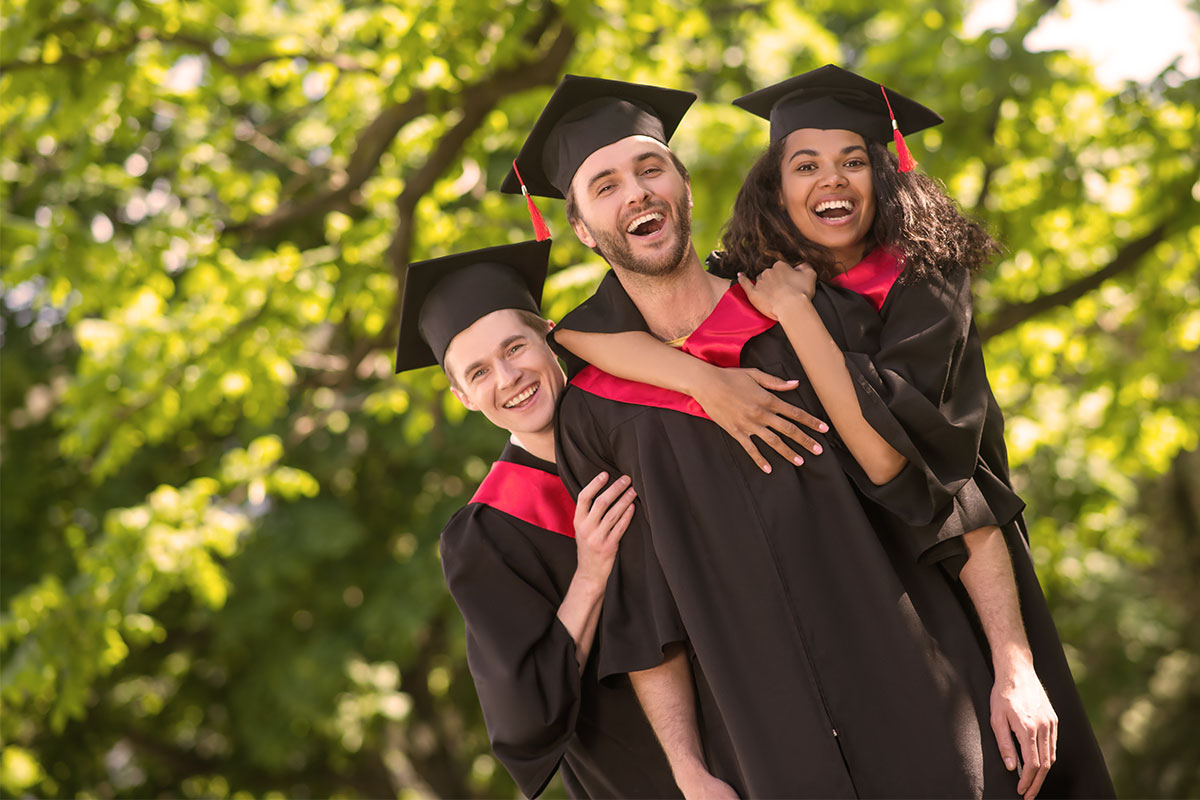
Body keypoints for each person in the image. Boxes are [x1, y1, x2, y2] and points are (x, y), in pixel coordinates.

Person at [548, 66, 1114, 798]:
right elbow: (641, 607)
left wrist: (1015, 664)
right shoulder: (596, 408)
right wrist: (688, 771)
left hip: (931, 712)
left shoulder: (805, 313)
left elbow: (952, 496)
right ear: (581, 226)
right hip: (773, 752)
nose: (637, 193)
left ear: (685, 185)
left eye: (650, 169)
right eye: (605, 185)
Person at [393, 239, 686, 798]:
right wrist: (591, 575)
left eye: (514, 348)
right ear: (461, 396)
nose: (506, 378)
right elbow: (525, 714)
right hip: (645, 779)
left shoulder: (650, 424)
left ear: (550, 335)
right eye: (477, 373)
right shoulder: (488, 536)